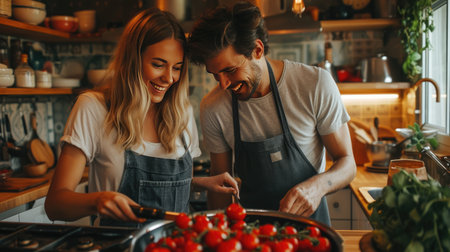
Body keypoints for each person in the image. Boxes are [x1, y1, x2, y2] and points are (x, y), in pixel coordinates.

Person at [45, 8, 239, 226]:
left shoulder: (181, 112)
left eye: (177, 68)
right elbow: (55, 204)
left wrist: (199, 183)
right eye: (158, 64)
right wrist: (97, 200)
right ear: (133, 59)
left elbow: (163, 187)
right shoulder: (93, 108)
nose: (168, 78)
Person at [188, 1, 356, 225]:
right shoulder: (213, 107)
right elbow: (220, 187)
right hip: (252, 236)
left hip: (311, 234)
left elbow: (347, 163)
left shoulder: (314, 84)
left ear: (257, 50)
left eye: (230, 70)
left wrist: (316, 188)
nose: (224, 84)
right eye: (215, 74)